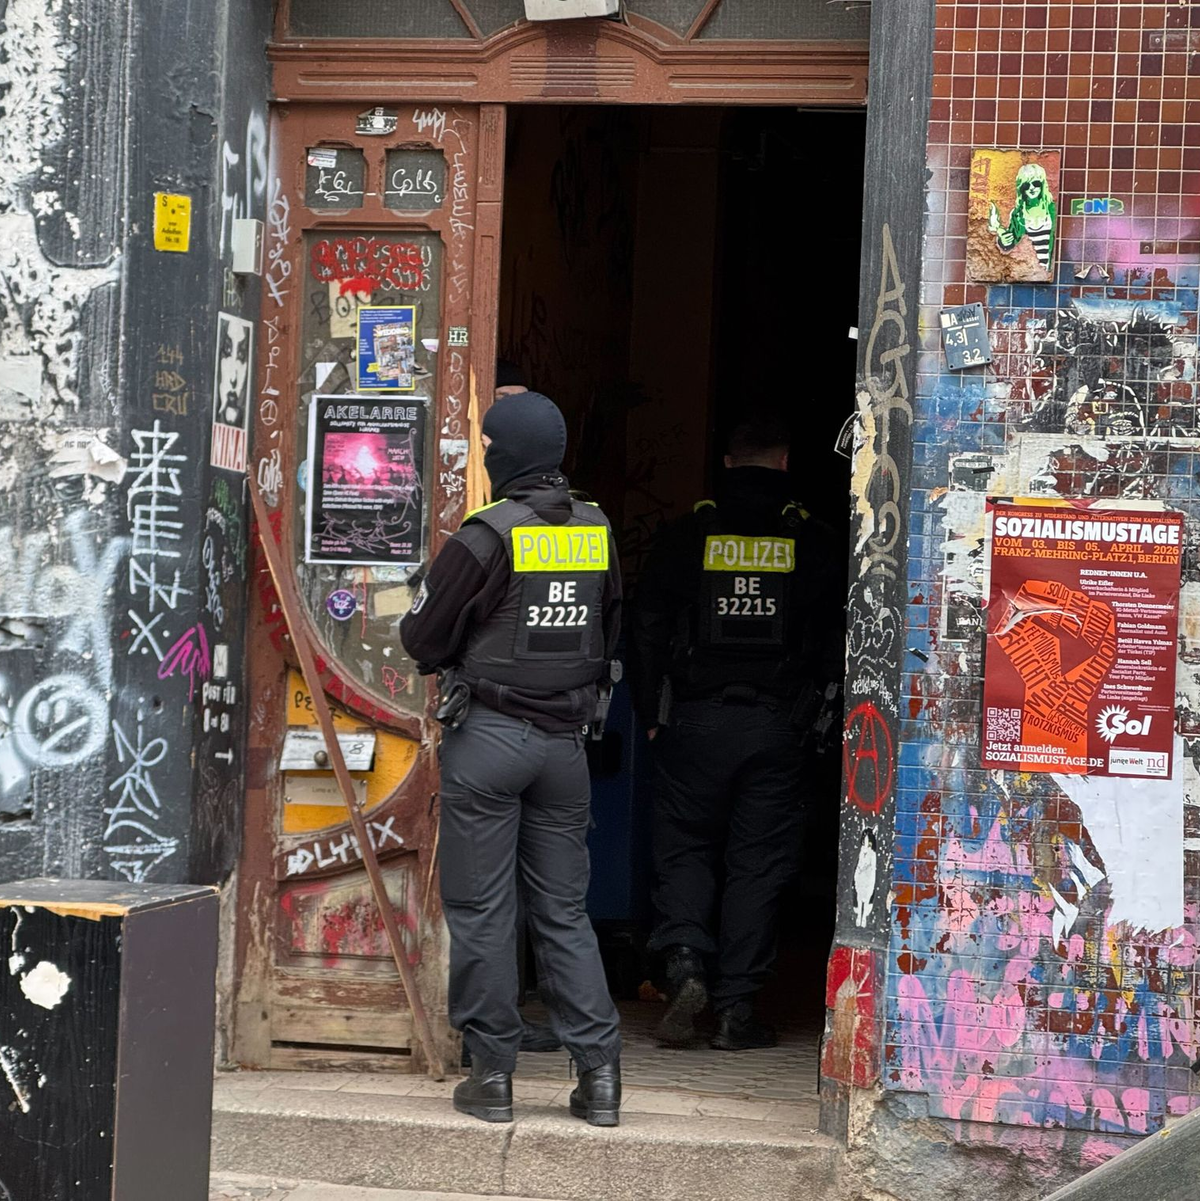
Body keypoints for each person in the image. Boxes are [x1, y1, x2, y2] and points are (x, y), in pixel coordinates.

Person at [400, 391, 622, 1126]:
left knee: (483, 908)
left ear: (508, 455)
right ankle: (598, 1078)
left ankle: (492, 1076)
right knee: (563, 910)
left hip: (491, 741)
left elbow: (425, 640)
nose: (486, 455)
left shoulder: (485, 535)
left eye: (490, 445)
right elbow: (609, 630)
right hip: (565, 748)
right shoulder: (595, 528)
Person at [630, 414, 841, 1050]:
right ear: (784, 464)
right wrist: (822, 719)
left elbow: (646, 629)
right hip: (778, 728)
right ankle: (736, 1010)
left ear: (725, 463)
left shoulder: (685, 535)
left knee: (685, 849)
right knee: (759, 867)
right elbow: (842, 637)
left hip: (692, 724)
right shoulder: (818, 542)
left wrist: (651, 717)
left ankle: (687, 964)